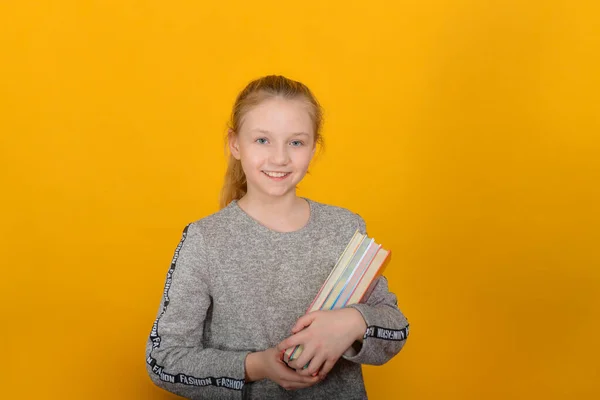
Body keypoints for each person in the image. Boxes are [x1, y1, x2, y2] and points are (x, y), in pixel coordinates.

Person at [145, 75, 410, 399]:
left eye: (295, 142)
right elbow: (163, 360)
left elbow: (396, 327)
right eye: (262, 140)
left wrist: (353, 322)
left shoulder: (344, 229)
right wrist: (257, 365)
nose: (280, 158)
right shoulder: (205, 240)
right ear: (235, 144)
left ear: (314, 147)